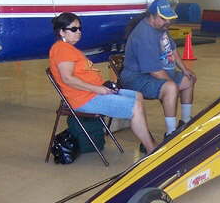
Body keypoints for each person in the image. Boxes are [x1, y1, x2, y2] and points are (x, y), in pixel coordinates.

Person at [49, 12, 156, 154]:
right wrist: (97, 89)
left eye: (80, 28)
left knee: (137, 96)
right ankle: (152, 149)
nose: (78, 32)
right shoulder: (62, 50)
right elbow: (68, 79)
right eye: (73, 29)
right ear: (61, 31)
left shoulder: (68, 48)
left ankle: (146, 140)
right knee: (135, 106)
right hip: (84, 98)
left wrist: (101, 87)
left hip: (93, 92)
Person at [120, 0, 196, 137]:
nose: (168, 22)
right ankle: (171, 132)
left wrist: (185, 69)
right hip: (137, 77)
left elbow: (172, 49)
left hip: (158, 71)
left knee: (189, 79)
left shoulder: (161, 27)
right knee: (170, 88)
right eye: (163, 18)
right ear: (152, 16)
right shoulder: (144, 35)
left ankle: (185, 121)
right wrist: (171, 83)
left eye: (169, 19)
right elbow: (154, 71)